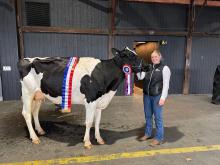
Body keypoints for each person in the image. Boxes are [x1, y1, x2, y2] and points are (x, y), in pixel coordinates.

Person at [137, 49, 171, 146]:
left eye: (156, 57)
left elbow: (166, 85)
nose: (154, 58)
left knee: (158, 118)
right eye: (152, 57)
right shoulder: (148, 67)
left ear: (160, 57)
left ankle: (159, 138)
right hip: (146, 96)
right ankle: (148, 133)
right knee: (148, 116)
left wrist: (163, 98)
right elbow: (140, 77)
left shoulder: (165, 68)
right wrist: (139, 70)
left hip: (157, 96)